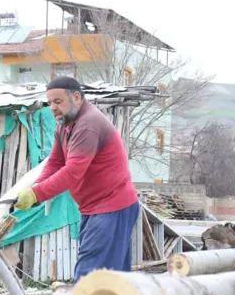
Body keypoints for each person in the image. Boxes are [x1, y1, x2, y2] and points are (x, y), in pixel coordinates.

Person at [14, 76, 140, 283]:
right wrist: (37, 186)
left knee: (89, 275)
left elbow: (72, 172)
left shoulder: (88, 125)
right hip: (96, 207)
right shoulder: (64, 125)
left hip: (112, 207)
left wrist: (36, 195)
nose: (52, 108)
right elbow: (55, 162)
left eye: (58, 101)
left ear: (77, 97)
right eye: (50, 102)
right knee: (111, 278)